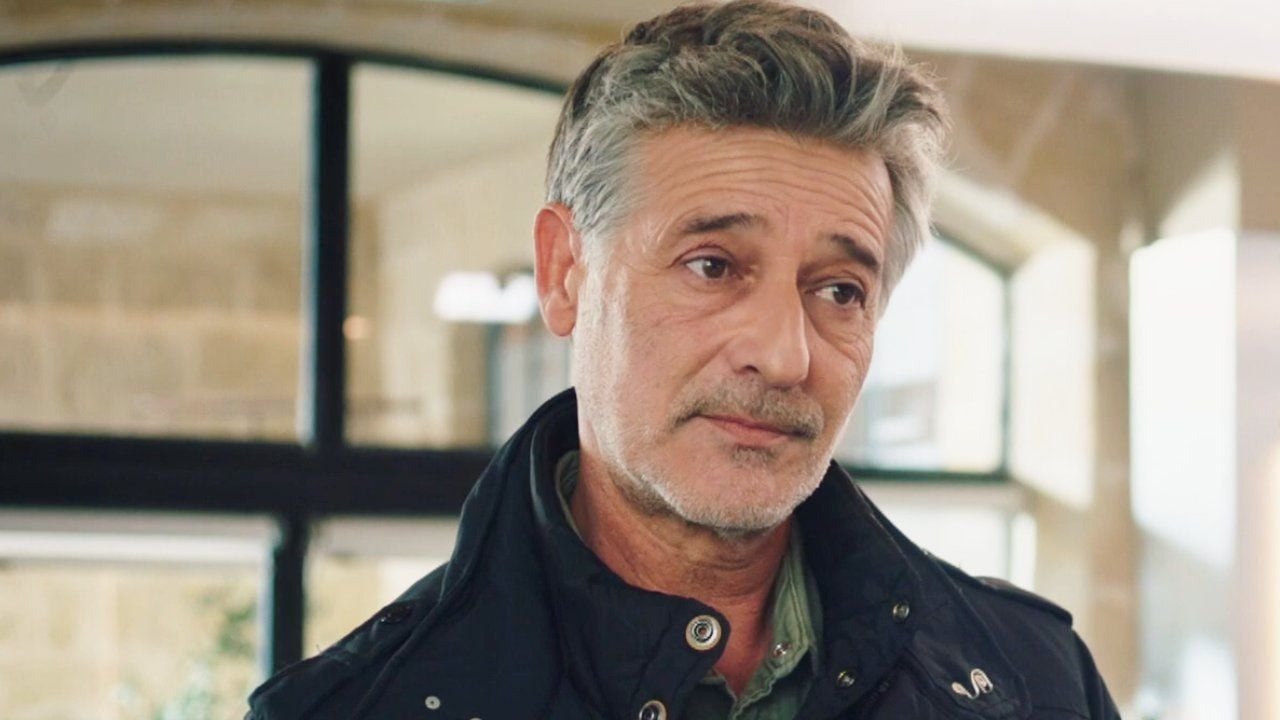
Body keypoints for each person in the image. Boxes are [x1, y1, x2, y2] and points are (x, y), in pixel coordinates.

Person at [247, 1, 1121, 718]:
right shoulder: (355, 709)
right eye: (713, 267)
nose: (783, 354)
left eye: (839, 290)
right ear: (565, 273)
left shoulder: (1037, 683)